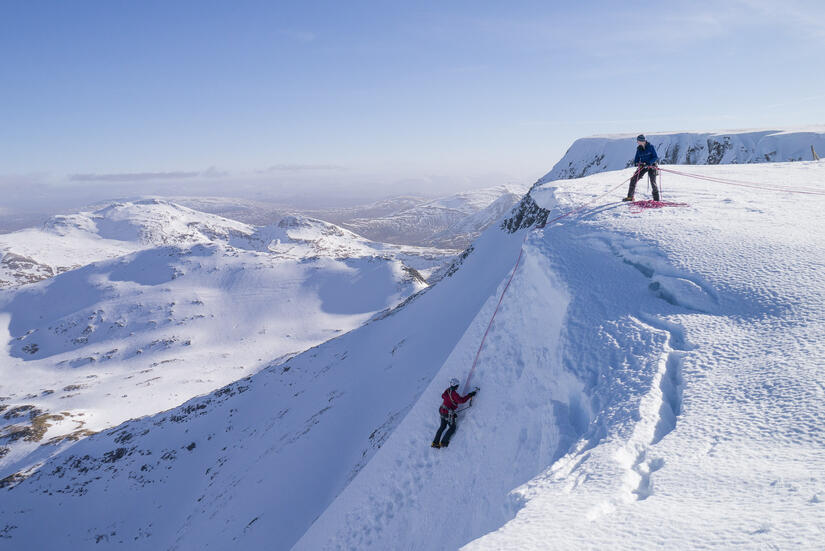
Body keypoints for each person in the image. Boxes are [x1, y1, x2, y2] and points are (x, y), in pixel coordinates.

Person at [431, 378, 477, 448]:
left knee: (442, 427)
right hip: (448, 413)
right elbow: (462, 401)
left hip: (442, 410)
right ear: (456, 386)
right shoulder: (454, 394)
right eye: (457, 385)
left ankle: (435, 443)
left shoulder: (448, 390)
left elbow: (443, 396)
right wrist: (470, 395)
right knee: (452, 427)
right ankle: (444, 442)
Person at [623, 134, 660, 202]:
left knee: (653, 181)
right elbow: (637, 158)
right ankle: (630, 197)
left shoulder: (651, 147)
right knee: (633, 179)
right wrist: (637, 163)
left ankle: (656, 200)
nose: (637, 142)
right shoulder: (639, 149)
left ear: (642, 141)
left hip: (652, 165)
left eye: (638, 141)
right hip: (643, 166)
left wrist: (649, 163)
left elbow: (655, 157)